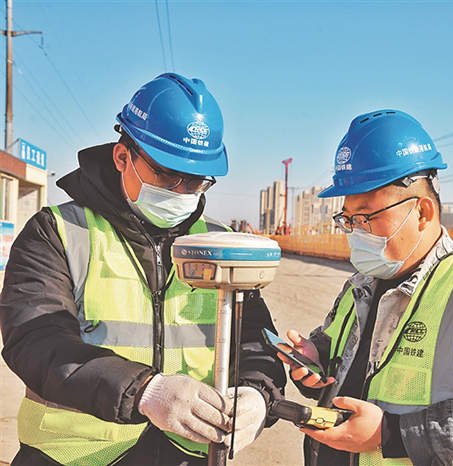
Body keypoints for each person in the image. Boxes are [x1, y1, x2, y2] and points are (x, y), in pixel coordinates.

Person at [0, 73, 286, 466]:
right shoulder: (58, 231)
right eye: (167, 175)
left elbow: (254, 341)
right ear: (123, 157)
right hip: (73, 456)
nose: (181, 191)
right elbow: (36, 340)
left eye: (197, 181)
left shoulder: (222, 246)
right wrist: (144, 391)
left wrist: (257, 394)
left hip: (186, 454)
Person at [281, 110, 453, 465]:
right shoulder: (361, 285)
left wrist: (390, 434)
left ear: (422, 212)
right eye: (348, 219)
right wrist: (315, 361)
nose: (355, 232)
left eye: (365, 216)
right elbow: (347, 361)